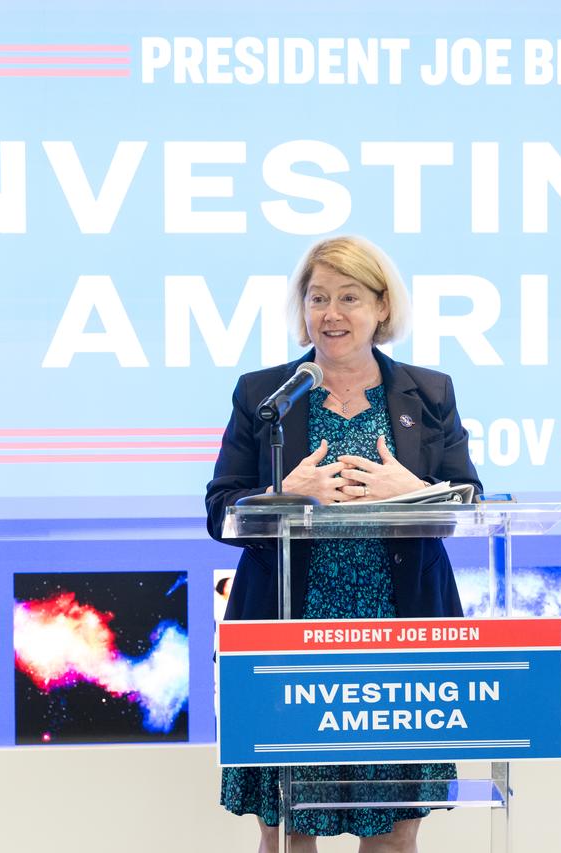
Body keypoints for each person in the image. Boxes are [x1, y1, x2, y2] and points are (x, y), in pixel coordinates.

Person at [206, 236, 482, 853]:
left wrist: (412, 490)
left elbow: (468, 497)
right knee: (291, 830)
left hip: (398, 630)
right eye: (318, 297)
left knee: (389, 830)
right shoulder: (265, 396)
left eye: (349, 297)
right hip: (289, 628)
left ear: (382, 308)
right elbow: (219, 509)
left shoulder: (428, 392)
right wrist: (281, 491)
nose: (331, 313)